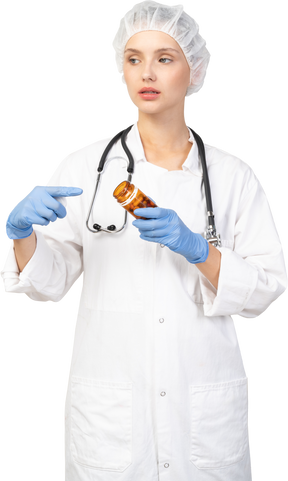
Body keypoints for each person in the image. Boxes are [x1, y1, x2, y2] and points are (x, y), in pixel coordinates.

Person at [1, 1, 287, 480]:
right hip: (111, 421)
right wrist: (22, 235)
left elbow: (268, 289)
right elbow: (46, 288)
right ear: (120, 69)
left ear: (193, 70)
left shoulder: (234, 174)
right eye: (133, 59)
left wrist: (200, 250)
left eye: (164, 58)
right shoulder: (82, 166)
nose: (146, 73)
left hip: (204, 416)